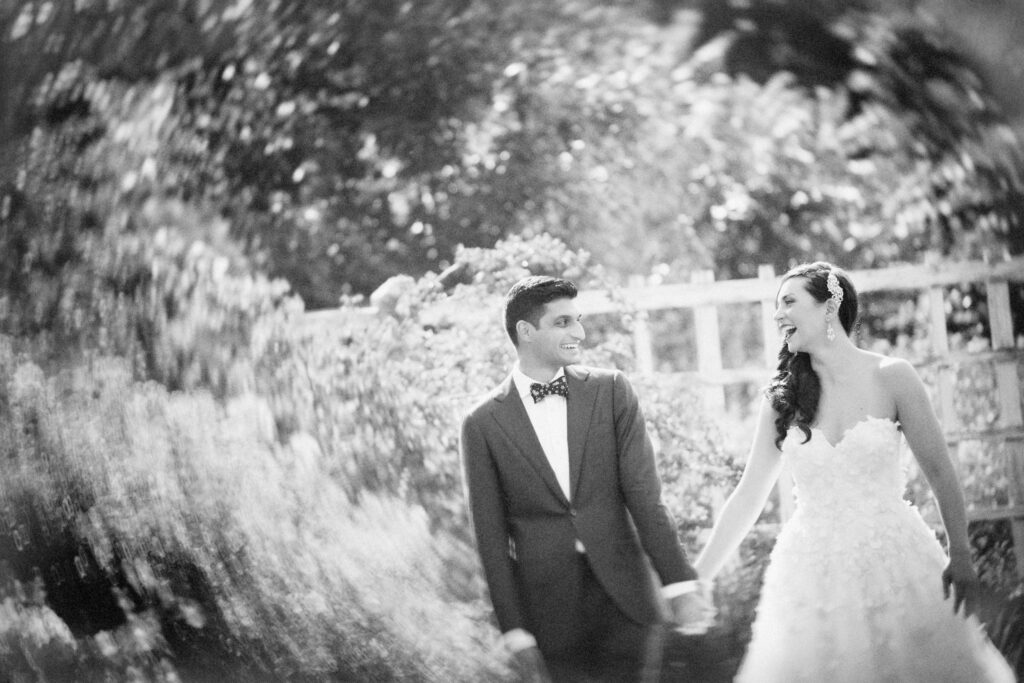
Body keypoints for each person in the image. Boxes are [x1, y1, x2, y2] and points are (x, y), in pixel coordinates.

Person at [693, 261, 1015, 682]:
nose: (777, 315)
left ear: (829, 306)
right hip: (812, 573)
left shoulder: (893, 376)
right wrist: (697, 576)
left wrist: (961, 552)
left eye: (789, 302)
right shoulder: (781, 400)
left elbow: (939, 470)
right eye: (776, 306)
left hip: (897, 559)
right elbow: (749, 495)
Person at [460, 275, 713, 682]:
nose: (578, 332)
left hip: (626, 597)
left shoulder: (611, 391)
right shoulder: (482, 423)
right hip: (546, 612)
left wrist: (679, 584)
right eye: (562, 323)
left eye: (577, 320)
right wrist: (514, 629)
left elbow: (645, 497)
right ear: (526, 331)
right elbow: (490, 537)